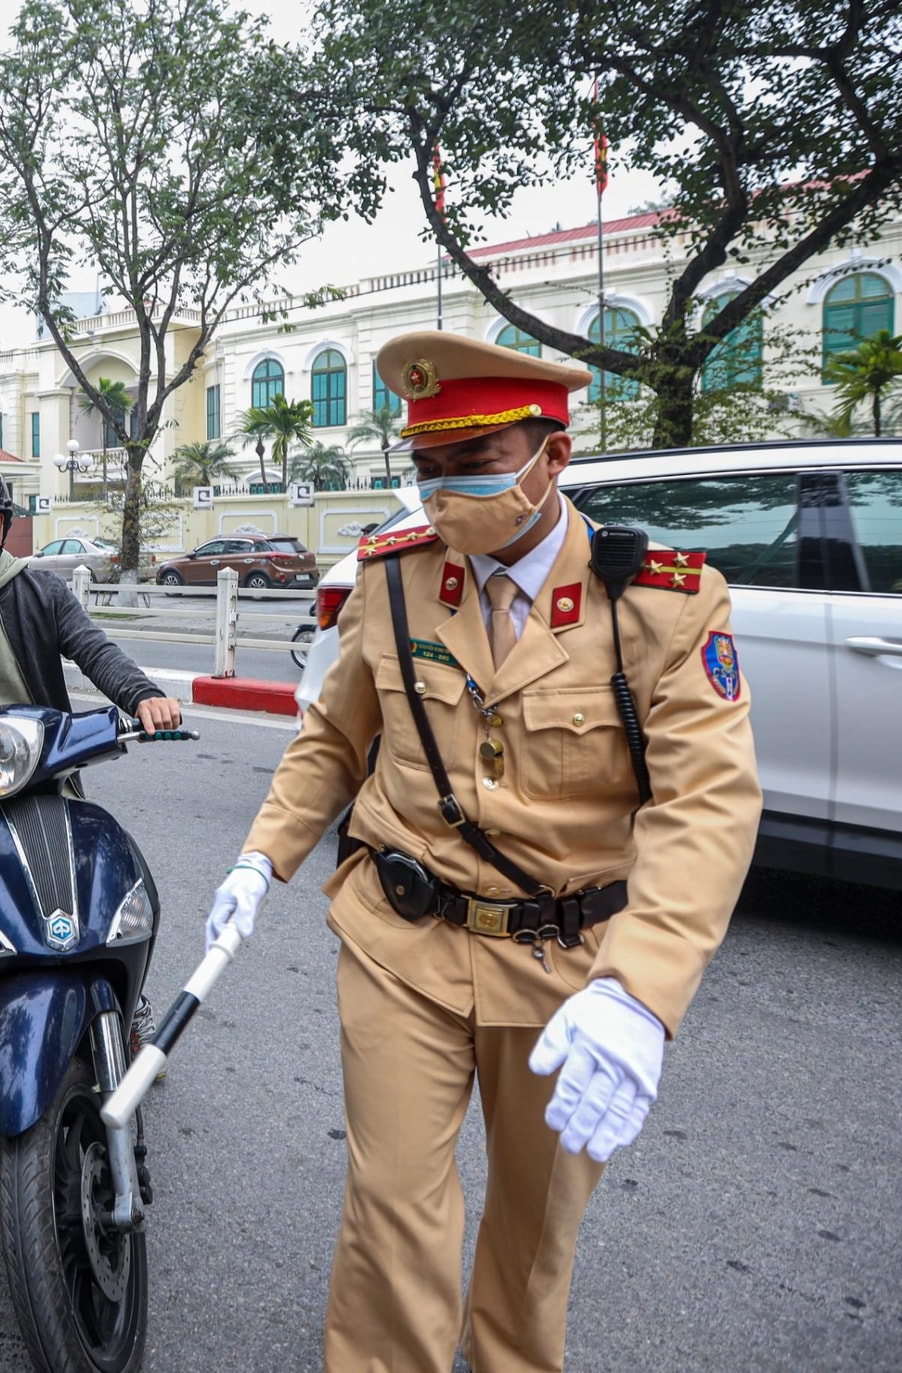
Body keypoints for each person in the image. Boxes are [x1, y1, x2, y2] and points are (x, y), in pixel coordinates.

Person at [205, 331, 762, 1372]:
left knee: (532, 1234)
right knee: (392, 1213)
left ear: (554, 454)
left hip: (566, 967)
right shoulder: (399, 576)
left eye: (472, 461)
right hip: (399, 937)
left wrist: (642, 990)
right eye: (425, 468)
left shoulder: (665, 602)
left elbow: (709, 807)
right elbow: (334, 735)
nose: (444, 494)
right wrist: (260, 856)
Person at [0, 455, 184, 1093]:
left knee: (115, 869)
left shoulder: (40, 592)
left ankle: (128, 1002)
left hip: (42, 769)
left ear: (1, 524)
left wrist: (142, 696)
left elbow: (95, 648)